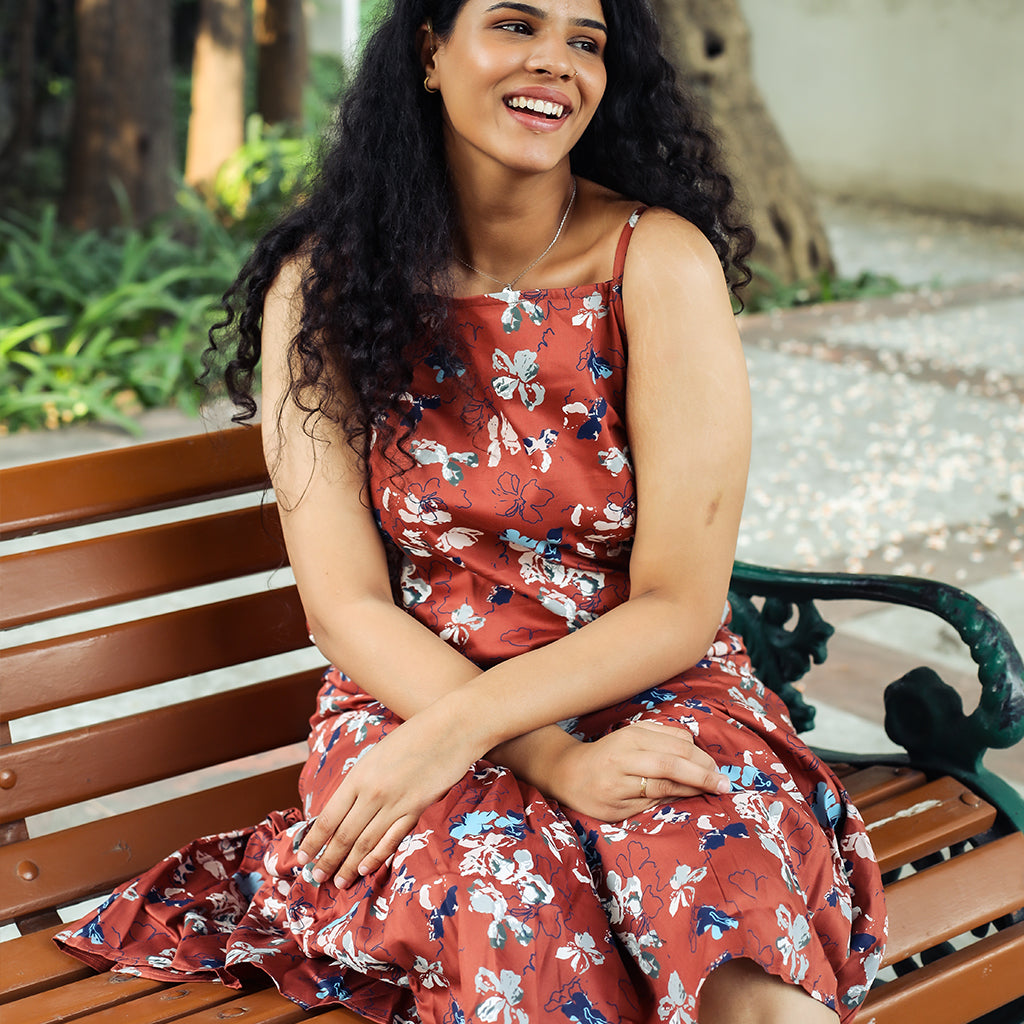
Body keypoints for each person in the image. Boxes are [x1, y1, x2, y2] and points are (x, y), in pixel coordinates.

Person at [56, 2, 886, 1021]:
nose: (556, 61)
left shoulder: (658, 262)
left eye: (585, 40)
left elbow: (678, 601)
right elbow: (346, 606)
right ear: (430, 50)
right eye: (515, 24)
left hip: (650, 685)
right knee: (511, 912)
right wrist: (539, 755)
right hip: (411, 702)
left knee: (732, 942)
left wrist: (519, 739)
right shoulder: (322, 287)